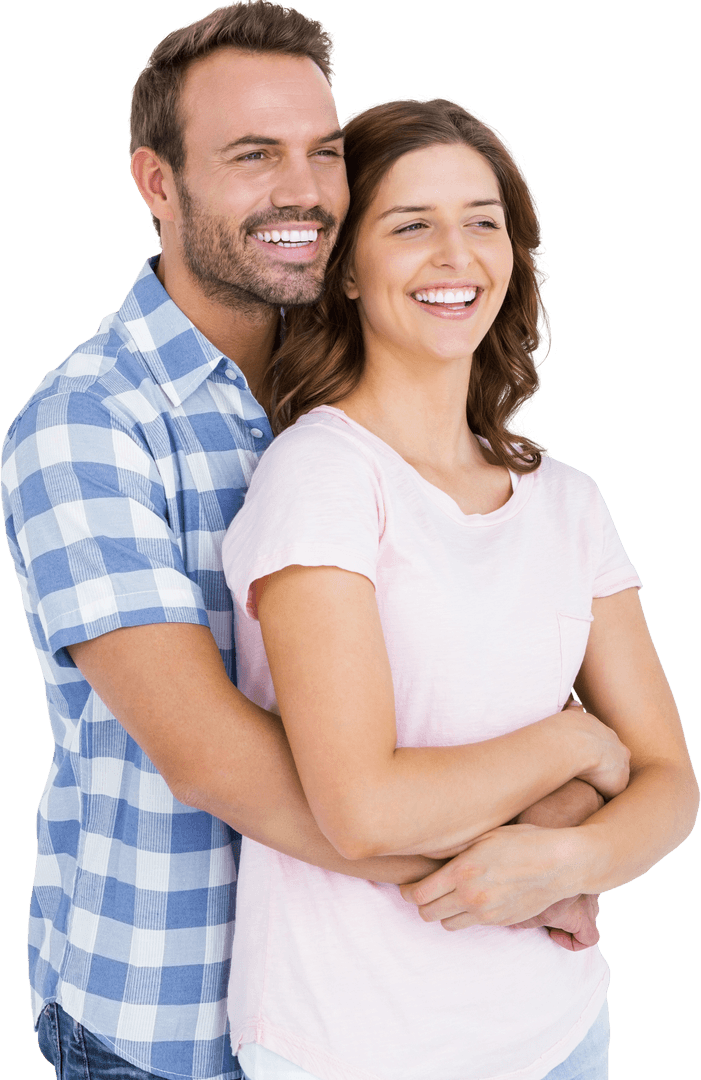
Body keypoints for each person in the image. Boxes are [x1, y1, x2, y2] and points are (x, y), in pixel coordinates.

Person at [0, 4, 607, 1078]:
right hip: (167, 1020)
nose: (302, 191)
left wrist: (557, 829)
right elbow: (213, 760)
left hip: (379, 1004)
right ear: (156, 184)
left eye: (322, 153)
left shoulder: (350, 385)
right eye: (251, 155)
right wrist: (518, 861)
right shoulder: (86, 425)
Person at [221, 97, 699, 1080]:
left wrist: (569, 863)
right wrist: (570, 748)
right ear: (346, 269)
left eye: (481, 221)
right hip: (356, 1045)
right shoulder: (322, 479)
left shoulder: (566, 500)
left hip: (559, 1031)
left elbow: (669, 785)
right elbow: (363, 810)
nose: (454, 254)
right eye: (409, 226)